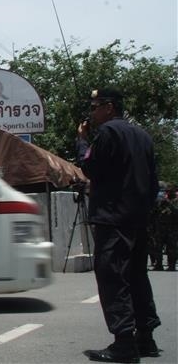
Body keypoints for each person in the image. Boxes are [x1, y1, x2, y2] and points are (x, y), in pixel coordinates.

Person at [76, 87, 161, 363]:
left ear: (109, 107)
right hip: (137, 219)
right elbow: (152, 182)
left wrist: (82, 140)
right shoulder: (143, 136)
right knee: (137, 276)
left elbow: (89, 167)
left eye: (95, 106)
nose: (92, 112)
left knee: (113, 277)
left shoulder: (108, 133)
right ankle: (145, 338)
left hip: (112, 219)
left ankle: (124, 343)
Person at [159, 185, 178, 271]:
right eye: (167, 191)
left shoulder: (176, 202)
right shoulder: (162, 201)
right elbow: (156, 211)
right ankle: (158, 264)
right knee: (158, 246)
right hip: (162, 227)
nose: (168, 193)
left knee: (172, 248)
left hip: (173, 228)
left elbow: (175, 211)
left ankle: (172, 265)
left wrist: (169, 204)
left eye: (170, 191)